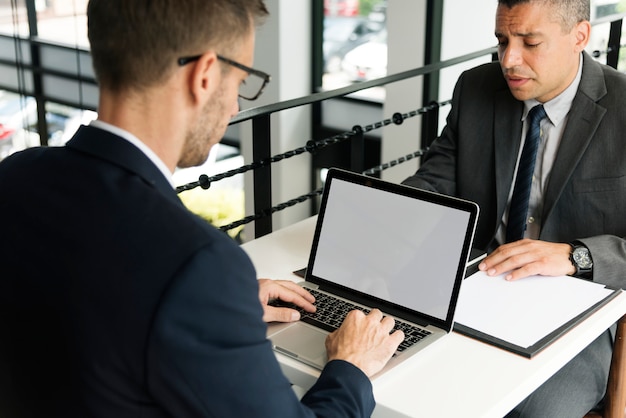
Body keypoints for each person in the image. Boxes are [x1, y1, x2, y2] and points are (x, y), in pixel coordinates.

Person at [0, 1, 404, 417]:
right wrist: (350, 366)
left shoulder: (16, 176)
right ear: (205, 75)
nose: (236, 107)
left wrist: (219, 311)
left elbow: (90, 307)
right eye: (241, 83)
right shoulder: (196, 264)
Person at [403, 0, 626, 416]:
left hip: (579, 308)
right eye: (502, 40)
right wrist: (398, 215)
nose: (509, 60)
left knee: (529, 409)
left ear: (580, 36)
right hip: (478, 281)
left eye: (530, 42)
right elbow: (436, 179)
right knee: (401, 373)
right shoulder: (476, 88)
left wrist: (574, 255)